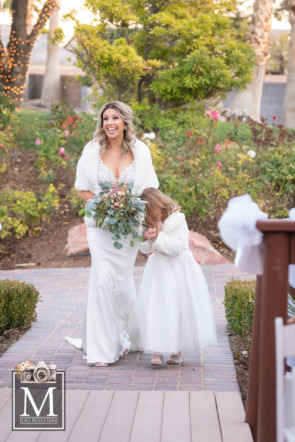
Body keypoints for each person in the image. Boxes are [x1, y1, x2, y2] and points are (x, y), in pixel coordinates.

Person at [65, 101, 159, 366]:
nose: (110, 123)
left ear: (125, 122)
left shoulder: (140, 152)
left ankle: (126, 334)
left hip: (128, 228)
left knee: (121, 282)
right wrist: (105, 204)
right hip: (100, 227)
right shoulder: (92, 150)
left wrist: (152, 221)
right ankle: (102, 350)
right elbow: (83, 189)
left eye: (115, 117)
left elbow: (149, 189)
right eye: (106, 118)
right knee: (103, 279)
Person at [138, 188, 217, 367]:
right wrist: (147, 237)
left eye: (153, 212)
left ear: (159, 205)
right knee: (157, 307)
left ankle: (176, 350)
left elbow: (177, 247)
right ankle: (157, 351)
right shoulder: (150, 222)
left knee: (178, 306)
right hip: (158, 269)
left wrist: (159, 236)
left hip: (179, 268)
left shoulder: (178, 220)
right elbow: (144, 248)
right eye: (148, 214)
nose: (152, 216)